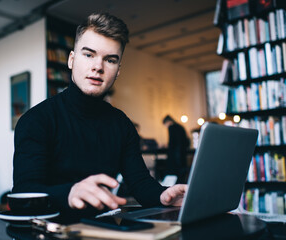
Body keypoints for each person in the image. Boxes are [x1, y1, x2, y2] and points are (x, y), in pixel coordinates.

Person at [12, 12, 187, 222]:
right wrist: (69, 192)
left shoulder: (122, 124)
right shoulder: (36, 120)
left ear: (118, 70)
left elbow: (140, 183)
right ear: (71, 60)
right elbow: (21, 196)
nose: (98, 67)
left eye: (110, 60)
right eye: (89, 55)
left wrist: (164, 195)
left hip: (102, 230)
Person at [162, 115, 190, 183]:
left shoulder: (171, 127)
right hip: (182, 154)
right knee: (181, 175)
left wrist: (167, 146)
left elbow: (172, 142)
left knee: (173, 175)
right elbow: (186, 141)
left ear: (168, 122)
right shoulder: (180, 126)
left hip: (174, 155)